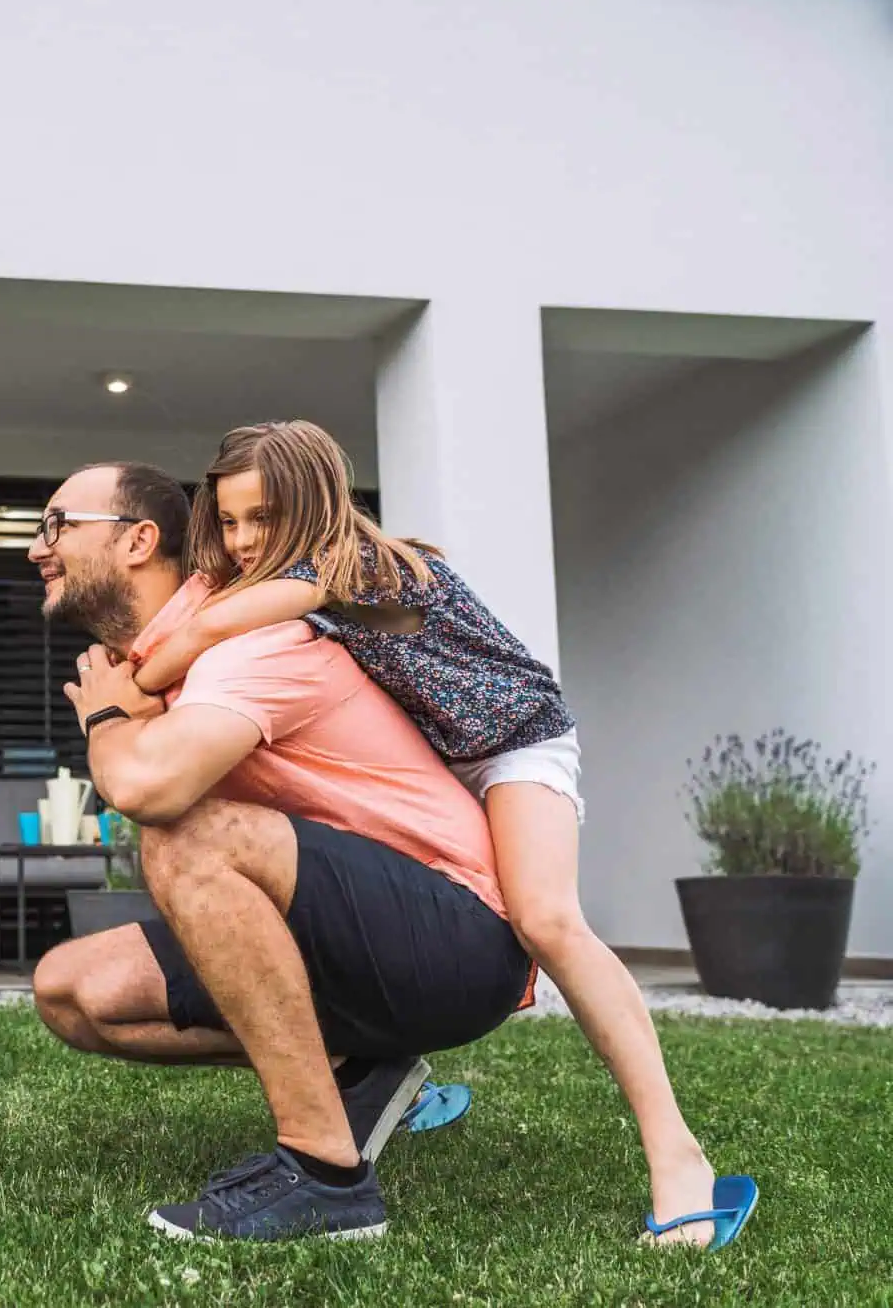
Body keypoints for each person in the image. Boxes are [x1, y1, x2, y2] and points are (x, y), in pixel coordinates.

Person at [126, 422, 738, 1247]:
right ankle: (386, 1074)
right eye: (230, 521)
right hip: (434, 759)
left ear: (315, 504)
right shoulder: (289, 581)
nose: (241, 541)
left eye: (262, 518)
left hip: (513, 744)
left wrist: (125, 687)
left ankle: (678, 1156)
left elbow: (192, 640)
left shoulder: (350, 565)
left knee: (546, 919)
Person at [29, 460, 538, 1243]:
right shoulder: (162, 663)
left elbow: (147, 790)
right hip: (343, 930)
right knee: (72, 990)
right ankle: (361, 1073)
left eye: (57, 525)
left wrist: (106, 721)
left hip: (456, 937)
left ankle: (327, 1176)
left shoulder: (246, 644)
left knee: (187, 834)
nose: (38, 546)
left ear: (138, 541)